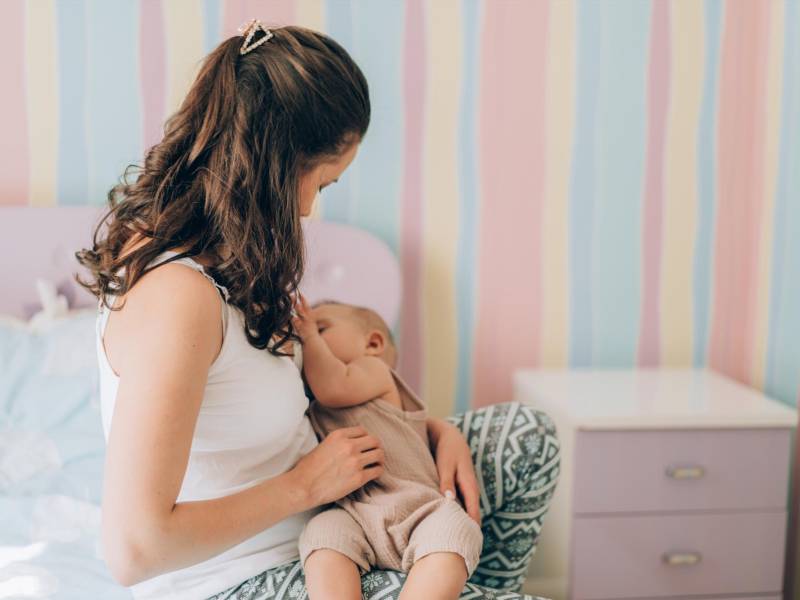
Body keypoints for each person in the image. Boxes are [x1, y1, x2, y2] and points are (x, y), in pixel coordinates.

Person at [77, 19, 559, 600]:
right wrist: (303, 486)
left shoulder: (236, 261)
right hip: (243, 574)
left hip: (341, 514)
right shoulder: (176, 298)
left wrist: (427, 431)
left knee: (526, 435)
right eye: (321, 184)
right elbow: (134, 549)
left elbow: (304, 403)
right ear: (273, 167)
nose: (308, 209)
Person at [292, 298, 482, 600]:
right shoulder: (313, 401)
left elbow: (333, 387)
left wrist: (308, 335)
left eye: (322, 327)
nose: (304, 334)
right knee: (322, 535)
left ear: (373, 343)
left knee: (455, 531)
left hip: (418, 511)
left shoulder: (372, 371)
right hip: (355, 515)